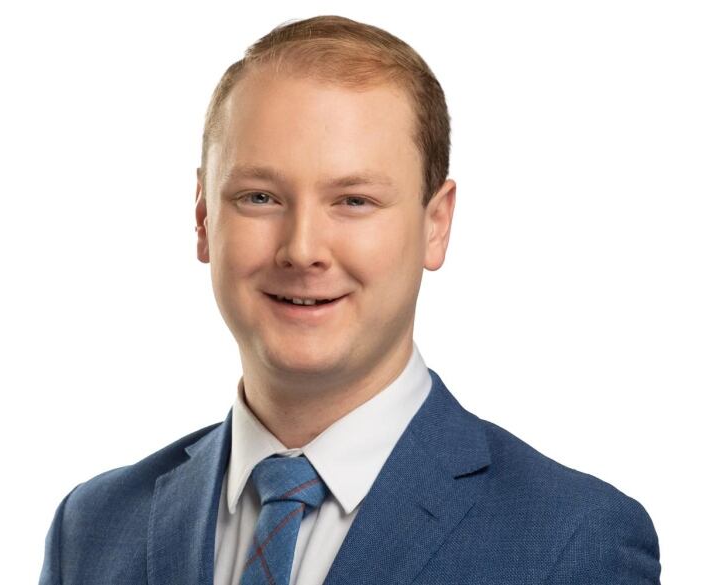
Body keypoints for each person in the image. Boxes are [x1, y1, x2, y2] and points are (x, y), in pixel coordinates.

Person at [39, 15, 661, 585]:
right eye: (260, 197)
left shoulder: (573, 541)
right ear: (203, 218)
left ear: (436, 224)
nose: (302, 249)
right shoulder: (92, 531)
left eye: (354, 201)